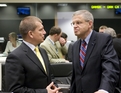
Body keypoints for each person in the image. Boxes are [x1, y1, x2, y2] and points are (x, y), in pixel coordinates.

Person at [5, 16, 61, 93]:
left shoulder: (43, 51)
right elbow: (15, 89)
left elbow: (49, 76)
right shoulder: (15, 57)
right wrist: (45, 92)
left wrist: (54, 87)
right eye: (41, 30)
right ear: (31, 34)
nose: (45, 32)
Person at [70, 10, 120, 93]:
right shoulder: (75, 46)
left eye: (78, 23)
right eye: (73, 23)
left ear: (90, 24)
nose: (75, 26)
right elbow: (76, 76)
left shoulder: (104, 39)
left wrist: (104, 89)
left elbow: (110, 67)